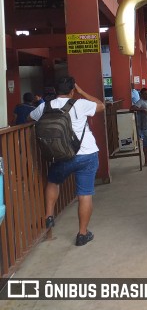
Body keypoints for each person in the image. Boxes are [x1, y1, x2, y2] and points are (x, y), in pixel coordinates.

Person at [29, 76, 105, 246]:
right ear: (72, 90)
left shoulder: (45, 106)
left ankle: (49, 215)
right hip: (86, 155)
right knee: (84, 194)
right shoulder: (79, 103)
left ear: (56, 91)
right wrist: (81, 91)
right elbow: (101, 105)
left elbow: (30, 118)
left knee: (53, 181)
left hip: (61, 155)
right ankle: (82, 234)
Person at [130, 88, 147, 165]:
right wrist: (142, 110)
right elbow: (131, 108)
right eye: (146, 93)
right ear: (141, 94)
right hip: (145, 127)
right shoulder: (140, 102)